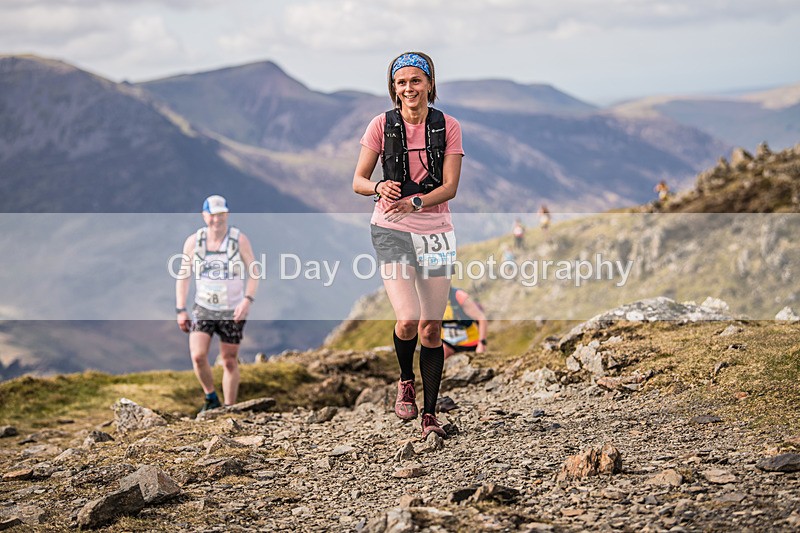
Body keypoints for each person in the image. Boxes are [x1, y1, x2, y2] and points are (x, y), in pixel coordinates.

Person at [352, 51, 464, 438]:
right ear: (393, 88)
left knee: (431, 328)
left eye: (416, 80)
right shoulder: (381, 126)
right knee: (408, 320)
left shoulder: (448, 126)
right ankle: (405, 379)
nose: (409, 88)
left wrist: (415, 202)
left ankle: (430, 414)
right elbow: (358, 181)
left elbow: (450, 187)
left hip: (436, 230)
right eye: (401, 82)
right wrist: (378, 187)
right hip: (391, 229)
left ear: (430, 84)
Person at [175, 195, 259, 412]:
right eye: (213, 215)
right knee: (197, 355)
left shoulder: (239, 240)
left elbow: (254, 272)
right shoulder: (194, 242)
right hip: (204, 308)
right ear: (205, 216)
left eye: (221, 214)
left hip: (232, 310)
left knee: (229, 360)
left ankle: (229, 408)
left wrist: (247, 301)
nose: (217, 219)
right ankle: (211, 397)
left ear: (227, 214)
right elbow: (183, 276)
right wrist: (181, 309)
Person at [442, 287, 488, 358]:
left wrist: (482, 343)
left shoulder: (459, 296)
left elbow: (481, 318)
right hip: (448, 343)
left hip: (470, 343)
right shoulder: (432, 298)